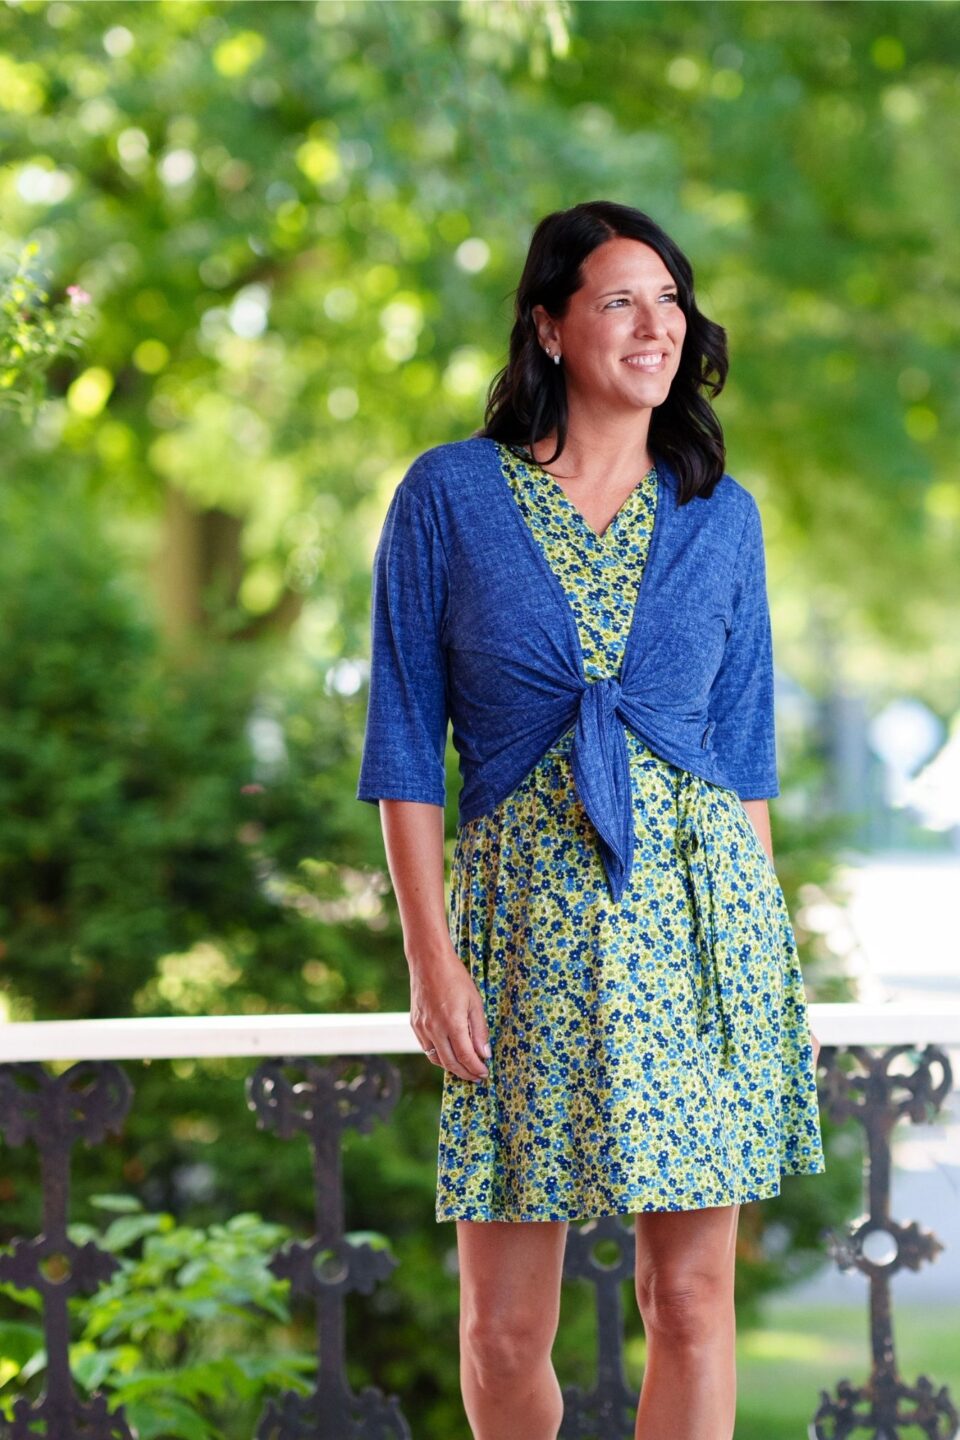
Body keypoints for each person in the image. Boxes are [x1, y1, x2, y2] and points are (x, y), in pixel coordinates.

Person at [356, 200, 826, 1440]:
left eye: (670, 301)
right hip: (523, 929)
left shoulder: (722, 515)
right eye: (620, 299)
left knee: (689, 1302)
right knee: (504, 1334)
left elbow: (743, 754)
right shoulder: (449, 496)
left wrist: (762, 971)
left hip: (701, 918)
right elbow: (405, 741)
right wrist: (428, 955)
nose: (654, 325)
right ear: (551, 327)